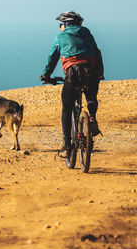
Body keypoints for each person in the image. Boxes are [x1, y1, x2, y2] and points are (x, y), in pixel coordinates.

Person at [40, 11, 104, 157]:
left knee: (67, 108)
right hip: (91, 71)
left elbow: (52, 58)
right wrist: (100, 72)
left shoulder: (61, 37)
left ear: (66, 24)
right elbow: (97, 52)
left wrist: (46, 75)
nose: (60, 27)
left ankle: (67, 147)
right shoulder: (87, 33)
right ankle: (92, 119)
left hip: (73, 74)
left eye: (61, 24)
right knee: (91, 97)